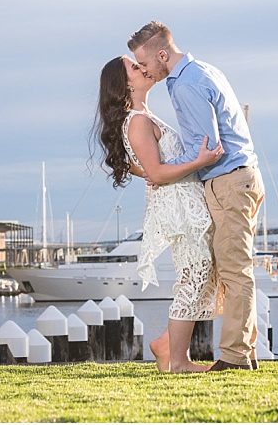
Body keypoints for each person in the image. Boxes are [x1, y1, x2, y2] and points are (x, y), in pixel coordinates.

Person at [129, 21, 265, 371]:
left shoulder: (186, 85)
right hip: (237, 180)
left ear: (162, 54)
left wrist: (158, 171)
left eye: (144, 63)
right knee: (233, 272)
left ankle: (235, 359)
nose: (143, 70)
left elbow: (208, 149)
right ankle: (241, 354)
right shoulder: (203, 71)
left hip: (229, 182)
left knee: (235, 273)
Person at [93, 55, 224, 373]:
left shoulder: (143, 116)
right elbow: (159, 171)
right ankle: (178, 361)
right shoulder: (137, 121)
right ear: (125, 83)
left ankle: (167, 344)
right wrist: (201, 161)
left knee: (205, 274)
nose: (142, 68)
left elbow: (147, 167)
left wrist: (151, 173)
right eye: (133, 68)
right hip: (179, 208)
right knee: (193, 276)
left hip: (185, 201)